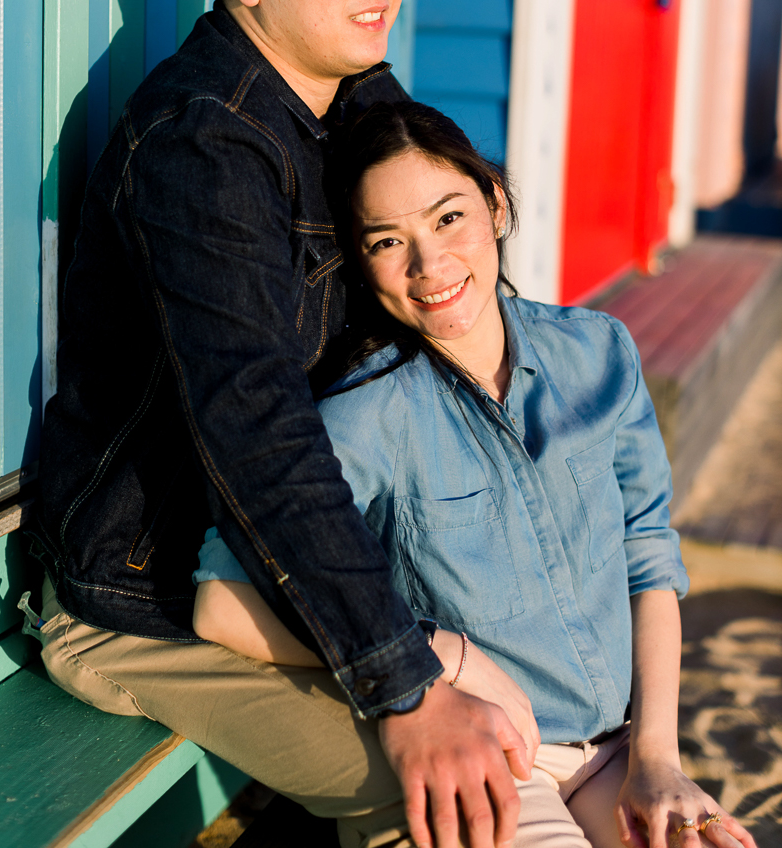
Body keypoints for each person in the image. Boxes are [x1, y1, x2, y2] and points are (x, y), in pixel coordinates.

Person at [31, 0, 527, 848]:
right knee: (454, 792)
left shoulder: (352, 96)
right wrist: (402, 684)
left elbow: (463, 289)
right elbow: (257, 423)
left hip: (283, 567)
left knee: (548, 699)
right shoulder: (201, 145)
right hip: (147, 599)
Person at [191, 101, 758, 848]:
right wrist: (434, 655)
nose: (429, 266)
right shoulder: (367, 415)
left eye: (449, 218)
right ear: (360, 260)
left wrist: (657, 759)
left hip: (623, 747)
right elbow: (222, 604)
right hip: (492, 754)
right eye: (388, 241)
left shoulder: (599, 352)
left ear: (495, 204)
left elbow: (648, 557)